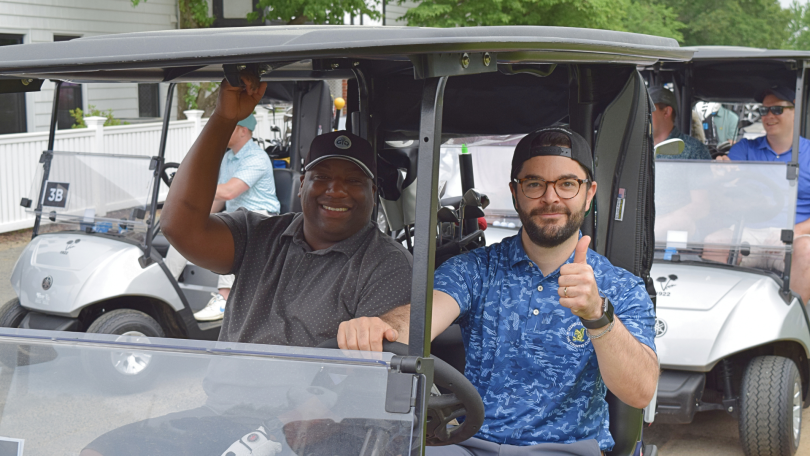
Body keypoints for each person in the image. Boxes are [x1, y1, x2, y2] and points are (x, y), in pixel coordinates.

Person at [79, 74, 413, 456]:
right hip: (223, 417)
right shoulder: (259, 233)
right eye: (322, 177)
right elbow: (179, 226)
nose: (335, 190)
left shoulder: (386, 265)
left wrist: (300, 420)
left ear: (373, 193)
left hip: (319, 430)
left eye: (354, 180)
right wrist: (223, 119)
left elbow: (366, 379)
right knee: (100, 452)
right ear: (302, 183)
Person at [339, 126, 659, 455]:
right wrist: (382, 328)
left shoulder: (619, 287)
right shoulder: (475, 270)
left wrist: (597, 316)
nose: (551, 197)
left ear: (589, 193)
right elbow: (420, 318)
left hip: (567, 450)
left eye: (566, 184)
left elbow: (640, 393)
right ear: (515, 192)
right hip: (470, 443)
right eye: (534, 184)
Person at [164, 113, 281, 321]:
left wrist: (189, 186)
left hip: (263, 218)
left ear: (243, 130)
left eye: (230, 127)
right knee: (185, 231)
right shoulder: (228, 158)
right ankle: (164, 287)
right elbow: (217, 201)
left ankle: (225, 299)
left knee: (231, 232)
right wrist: (194, 218)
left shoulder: (257, 157)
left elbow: (228, 192)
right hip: (237, 215)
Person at [716, 84, 810, 303]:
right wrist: (722, 171)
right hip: (748, 231)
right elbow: (729, 176)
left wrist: (791, 231)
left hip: (794, 236)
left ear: (795, 110)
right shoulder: (745, 148)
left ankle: (795, 324)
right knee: (715, 241)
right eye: (764, 110)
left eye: (777, 110)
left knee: (807, 250)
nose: (769, 116)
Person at [650, 86, 711, 160]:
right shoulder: (636, 147)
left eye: (647, 111)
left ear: (666, 112)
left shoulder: (695, 150)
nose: (641, 117)